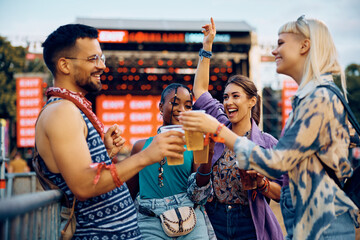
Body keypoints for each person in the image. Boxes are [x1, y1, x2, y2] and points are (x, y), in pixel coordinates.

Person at [180, 16, 358, 239]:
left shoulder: (319, 97)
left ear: (305, 46)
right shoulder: (309, 98)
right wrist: (207, 47)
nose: (274, 51)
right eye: (226, 97)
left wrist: (218, 131)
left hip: (322, 228)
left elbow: (277, 164)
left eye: (281, 43)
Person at [35, 24, 186, 239]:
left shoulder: (70, 108)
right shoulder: (62, 111)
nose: (102, 66)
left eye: (102, 58)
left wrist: (104, 154)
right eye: (93, 59)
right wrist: (146, 155)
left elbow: (84, 176)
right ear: (64, 66)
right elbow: (85, 186)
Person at [185, 18, 284, 240]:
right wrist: (207, 46)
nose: (228, 102)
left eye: (235, 96)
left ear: (252, 101)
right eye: (226, 97)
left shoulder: (269, 144)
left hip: (249, 221)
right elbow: (200, 90)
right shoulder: (218, 123)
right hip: (214, 218)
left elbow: (284, 193)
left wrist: (262, 183)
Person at [127, 83, 215, 239]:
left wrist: (208, 154)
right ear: (161, 107)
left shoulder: (194, 145)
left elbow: (199, 194)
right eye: (175, 103)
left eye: (188, 106)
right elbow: (129, 195)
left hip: (190, 217)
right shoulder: (141, 147)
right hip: (150, 220)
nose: (181, 109)